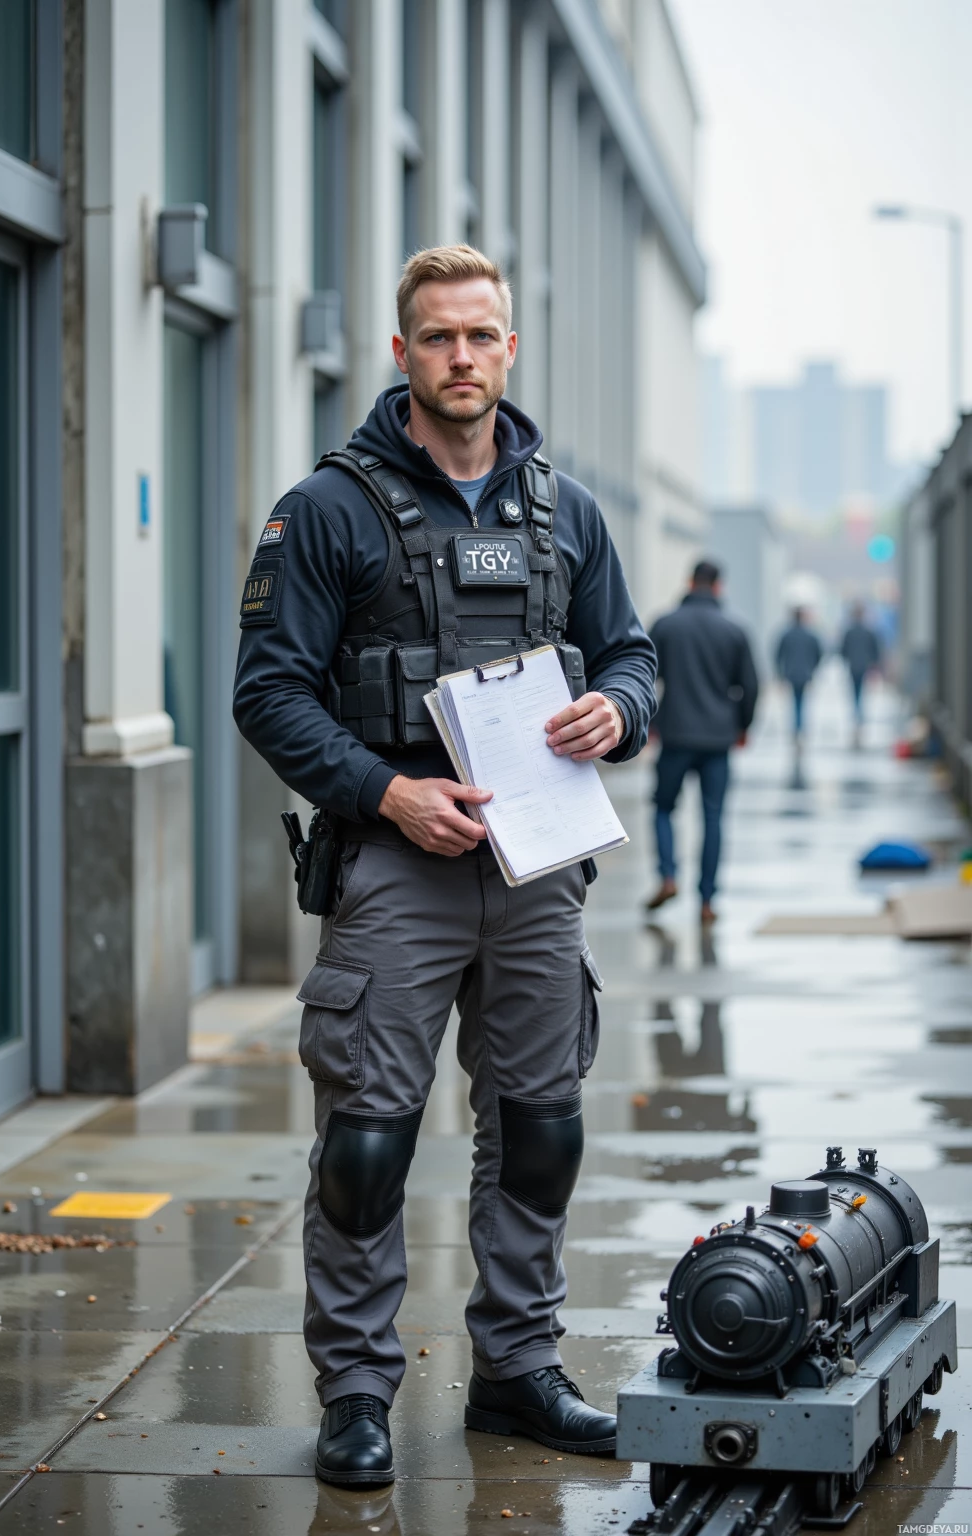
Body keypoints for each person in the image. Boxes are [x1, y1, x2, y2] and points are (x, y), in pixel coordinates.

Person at [233, 245, 657, 1489]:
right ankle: (358, 1394)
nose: (460, 357)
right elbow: (267, 692)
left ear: (509, 349)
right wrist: (386, 791)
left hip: (539, 873)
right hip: (393, 872)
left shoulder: (564, 511)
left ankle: (519, 1374)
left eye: (481, 336)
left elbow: (628, 654)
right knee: (366, 1147)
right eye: (437, 338)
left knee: (540, 1133)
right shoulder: (326, 510)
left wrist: (616, 715)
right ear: (402, 351)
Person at [645, 560, 758, 924]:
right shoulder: (734, 630)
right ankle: (707, 901)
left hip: (675, 734)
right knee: (713, 817)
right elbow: (750, 687)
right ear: (719, 587)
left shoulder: (665, 625)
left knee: (663, 808)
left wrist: (648, 722)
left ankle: (667, 876)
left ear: (690, 582)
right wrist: (743, 726)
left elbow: (644, 675)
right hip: (718, 738)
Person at [775, 607, 822, 738]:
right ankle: (800, 728)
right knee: (802, 702)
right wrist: (813, 668)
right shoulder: (810, 635)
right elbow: (818, 653)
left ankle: (796, 728)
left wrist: (780, 674)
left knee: (795, 702)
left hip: (790, 674)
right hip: (805, 674)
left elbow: (778, 655)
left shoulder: (786, 634)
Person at [840, 601, 880, 736]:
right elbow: (875, 650)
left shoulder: (849, 632)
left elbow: (843, 650)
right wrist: (874, 665)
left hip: (852, 666)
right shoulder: (868, 632)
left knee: (855, 693)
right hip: (864, 666)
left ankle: (857, 716)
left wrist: (847, 660)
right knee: (861, 692)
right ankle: (859, 717)